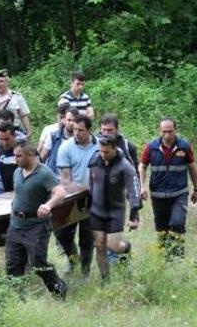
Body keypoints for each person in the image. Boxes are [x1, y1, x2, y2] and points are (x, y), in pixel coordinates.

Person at [6, 142, 68, 299]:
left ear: (31, 155)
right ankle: (18, 299)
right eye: (15, 155)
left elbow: (60, 193)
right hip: (16, 224)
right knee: (13, 264)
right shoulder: (17, 172)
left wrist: (48, 205)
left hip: (36, 227)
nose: (15, 159)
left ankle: (58, 288)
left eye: (18, 156)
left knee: (38, 263)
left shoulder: (44, 173)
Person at [139, 118, 197, 260]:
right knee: (162, 229)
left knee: (177, 223)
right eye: (164, 132)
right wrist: (142, 186)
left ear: (175, 130)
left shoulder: (184, 146)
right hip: (158, 194)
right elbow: (142, 166)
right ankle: (164, 258)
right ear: (160, 131)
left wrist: (196, 189)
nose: (167, 135)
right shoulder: (151, 147)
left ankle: (177, 257)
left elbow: (192, 167)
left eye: (170, 131)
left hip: (179, 193)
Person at [87, 135, 141, 280]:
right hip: (96, 211)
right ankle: (105, 279)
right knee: (99, 245)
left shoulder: (124, 166)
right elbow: (91, 183)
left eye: (106, 152)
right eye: (101, 151)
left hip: (115, 212)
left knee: (113, 245)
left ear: (115, 149)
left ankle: (125, 248)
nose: (103, 155)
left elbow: (134, 191)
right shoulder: (94, 160)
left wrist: (133, 214)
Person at [55, 115, 98, 277]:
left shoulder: (100, 146)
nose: (77, 133)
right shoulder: (65, 147)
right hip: (71, 198)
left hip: (94, 199)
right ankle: (73, 259)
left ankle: (85, 271)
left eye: (81, 130)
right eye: (74, 130)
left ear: (90, 130)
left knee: (87, 237)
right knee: (62, 234)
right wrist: (85, 188)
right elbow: (65, 180)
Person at [98, 113, 140, 263]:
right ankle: (119, 252)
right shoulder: (94, 143)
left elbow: (133, 177)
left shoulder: (128, 147)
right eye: (103, 130)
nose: (106, 133)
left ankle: (114, 262)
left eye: (110, 130)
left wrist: (135, 212)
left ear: (117, 129)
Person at [0, 69, 32, 135]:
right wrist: (1, 101)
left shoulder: (17, 96)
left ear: (7, 82)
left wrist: (29, 132)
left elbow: (23, 116)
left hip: (13, 131)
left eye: (1, 81)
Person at [41, 107, 78, 173]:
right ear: (64, 120)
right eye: (69, 120)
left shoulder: (80, 140)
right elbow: (43, 156)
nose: (71, 123)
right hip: (54, 177)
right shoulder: (54, 137)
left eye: (74, 120)